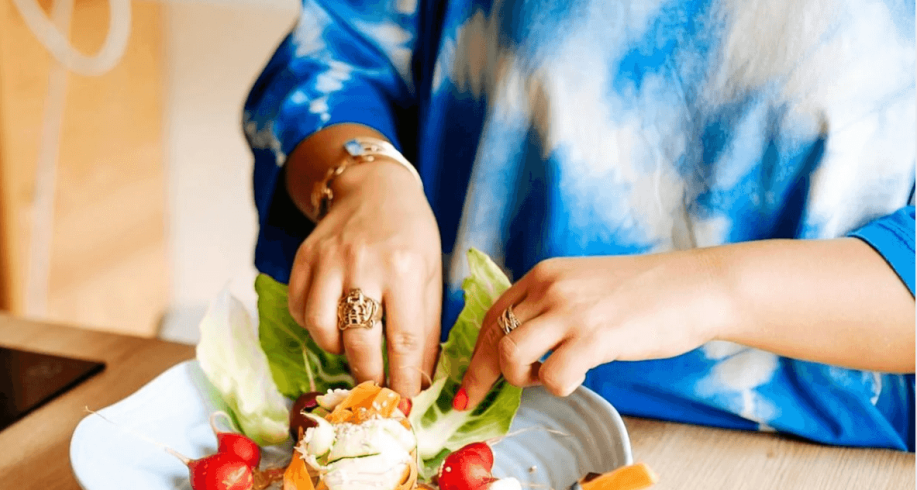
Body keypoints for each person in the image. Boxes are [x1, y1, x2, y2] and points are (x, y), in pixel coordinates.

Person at [243, 0, 916, 450]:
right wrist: (364, 173)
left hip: (811, 474)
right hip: (460, 443)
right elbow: (337, 52)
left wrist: (710, 288)